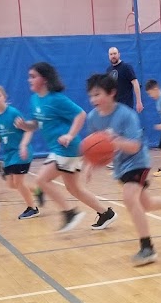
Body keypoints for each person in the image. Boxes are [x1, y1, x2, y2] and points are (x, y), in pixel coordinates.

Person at [85, 73, 161, 266]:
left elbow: (134, 146)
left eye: (97, 94)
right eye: (91, 95)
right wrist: (91, 164)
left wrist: (113, 140)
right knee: (145, 204)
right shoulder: (93, 118)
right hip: (120, 165)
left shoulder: (126, 115)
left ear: (111, 93)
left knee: (129, 198)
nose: (93, 99)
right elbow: (95, 146)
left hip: (138, 161)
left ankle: (147, 248)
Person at [16, 62, 116, 233]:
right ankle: (105, 213)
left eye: (33, 76)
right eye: (29, 76)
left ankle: (69, 213)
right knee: (74, 189)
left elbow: (80, 114)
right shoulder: (35, 99)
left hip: (67, 148)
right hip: (59, 149)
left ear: (44, 79)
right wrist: (25, 126)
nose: (29, 80)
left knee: (41, 180)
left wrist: (70, 135)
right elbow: (36, 123)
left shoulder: (56, 99)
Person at [0, 84, 39, 220]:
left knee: (18, 182)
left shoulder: (13, 113)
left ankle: (32, 208)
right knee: (11, 184)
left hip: (20, 152)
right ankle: (38, 191)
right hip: (8, 154)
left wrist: (23, 145)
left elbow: (28, 130)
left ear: (5, 97)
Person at [107, 46, 143, 112]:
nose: (113, 56)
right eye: (111, 54)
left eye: (115, 53)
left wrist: (139, 101)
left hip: (126, 106)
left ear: (119, 54)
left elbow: (135, 83)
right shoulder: (108, 70)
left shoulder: (126, 67)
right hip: (114, 107)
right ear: (109, 56)